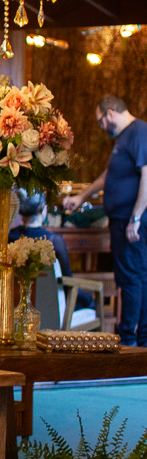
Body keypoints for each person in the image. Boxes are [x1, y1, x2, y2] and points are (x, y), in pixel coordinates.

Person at [66, 95, 147, 346]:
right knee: (132, 277)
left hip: (130, 221)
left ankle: (130, 339)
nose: (101, 126)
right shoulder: (124, 138)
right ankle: (137, 339)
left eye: (100, 121)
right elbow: (110, 174)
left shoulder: (138, 132)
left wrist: (135, 217)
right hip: (122, 220)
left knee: (132, 279)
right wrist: (82, 196)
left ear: (110, 113)